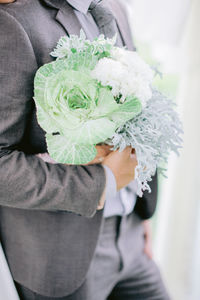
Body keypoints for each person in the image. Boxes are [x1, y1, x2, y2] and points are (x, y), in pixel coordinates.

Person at [0, 0, 170, 299]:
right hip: (62, 256)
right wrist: (103, 182)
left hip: (131, 236)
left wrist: (139, 213)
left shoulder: (114, 8)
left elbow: (134, 109)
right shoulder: (14, 23)